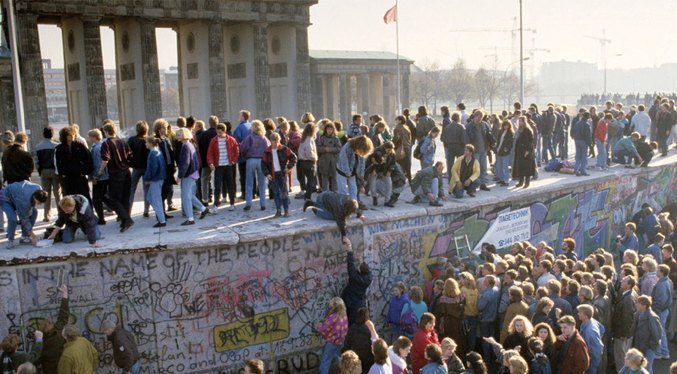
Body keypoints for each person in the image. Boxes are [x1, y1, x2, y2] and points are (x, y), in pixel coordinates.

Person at [100, 123, 134, 233]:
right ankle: (124, 218)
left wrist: (100, 170)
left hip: (115, 173)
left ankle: (127, 219)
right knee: (125, 197)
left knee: (113, 199)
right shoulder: (123, 142)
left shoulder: (106, 144)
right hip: (126, 172)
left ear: (106, 132)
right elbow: (130, 156)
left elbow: (105, 159)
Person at [175, 128, 209, 225]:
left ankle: (190, 218)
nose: (177, 136)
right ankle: (203, 209)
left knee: (186, 196)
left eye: (178, 135)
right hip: (193, 173)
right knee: (191, 195)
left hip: (188, 174)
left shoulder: (185, 146)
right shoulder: (190, 145)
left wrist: (180, 176)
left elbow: (185, 163)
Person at [1, 181, 47, 248]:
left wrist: (31, 206)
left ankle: (24, 237)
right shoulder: (24, 201)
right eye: (39, 202)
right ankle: (10, 240)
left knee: (34, 212)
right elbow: (24, 219)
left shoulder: (38, 188)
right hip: (5, 198)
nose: (40, 204)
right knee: (13, 219)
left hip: (17, 196)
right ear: (34, 197)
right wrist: (33, 235)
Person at [262, 132, 297, 218]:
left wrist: (288, 167)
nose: (276, 143)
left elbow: (293, 157)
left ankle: (286, 210)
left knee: (284, 193)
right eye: (274, 142)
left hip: (282, 174)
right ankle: (278, 210)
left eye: (277, 141)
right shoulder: (267, 151)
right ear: (271, 141)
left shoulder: (284, 149)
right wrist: (267, 174)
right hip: (273, 175)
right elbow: (263, 164)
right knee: (276, 194)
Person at [207, 123, 239, 212]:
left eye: (220, 132)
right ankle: (216, 204)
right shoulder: (214, 141)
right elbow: (210, 153)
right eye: (217, 132)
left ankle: (232, 203)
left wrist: (233, 161)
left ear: (224, 131)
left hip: (228, 165)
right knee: (217, 186)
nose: (218, 134)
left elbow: (236, 152)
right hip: (218, 166)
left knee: (230, 185)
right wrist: (211, 164)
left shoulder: (231, 140)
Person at [37, 285, 69, 374]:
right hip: (63, 368)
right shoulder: (59, 333)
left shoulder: (41, 344)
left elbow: (36, 359)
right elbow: (64, 315)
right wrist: (64, 295)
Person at [433, 279, 467, 363]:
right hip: (458, 324)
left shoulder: (442, 300)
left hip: (446, 325)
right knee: (458, 345)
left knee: (446, 344)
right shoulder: (461, 296)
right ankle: (459, 362)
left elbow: (438, 313)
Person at [55, 126, 92, 201]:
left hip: (80, 175)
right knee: (70, 197)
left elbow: (88, 159)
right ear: (65, 136)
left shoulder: (80, 147)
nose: (72, 137)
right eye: (69, 135)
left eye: (73, 135)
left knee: (84, 197)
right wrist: (62, 173)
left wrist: (85, 172)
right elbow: (58, 162)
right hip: (68, 176)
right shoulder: (59, 148)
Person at [336, 135, 373, 203]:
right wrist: (347, 172)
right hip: (342, 171)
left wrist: (362, 172)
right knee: (342, 191)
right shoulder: (347, 147)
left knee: (353, 190)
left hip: (353, 172)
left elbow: (362, 161)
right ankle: (342, 205)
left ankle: (354, 206)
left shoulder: (360, 150)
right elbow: (343, 160)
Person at [465, 111, 496, 191]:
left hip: (484, 149)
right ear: (475, 116)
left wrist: (493, 141)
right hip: (475, 151)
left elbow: (490, 134)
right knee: (474, 168)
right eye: (478, 117)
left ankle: (482, 183)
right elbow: (467, 138)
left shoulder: (484, 125)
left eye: (481, 117)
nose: (480, 119)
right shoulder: (469, 126)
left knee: (483, 167)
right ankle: (474, 184)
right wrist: (468, 149)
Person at [317, 297, 348, 374]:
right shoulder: (343, 314)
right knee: (340, 359)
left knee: (325, 362)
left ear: (334, 305)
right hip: (341, 341)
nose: (330, 301)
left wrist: (319, 327)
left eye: (332, 301)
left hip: (332, 342)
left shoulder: (333, 317)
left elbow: (325, 328)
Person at [631, 295, 662, 373]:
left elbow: (657, 334)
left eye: (638, 303)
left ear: (644, 306)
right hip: (641, 345)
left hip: (648, 347)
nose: (636, 305)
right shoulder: (639, 314)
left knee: (647, 369)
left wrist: (650, 346)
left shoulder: (652, 317)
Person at [612, 276, 637, 371]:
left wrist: (624, 334)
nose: (621, 281)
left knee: (621, 357)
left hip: (622, 333)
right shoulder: (628, 294)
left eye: (624, 281)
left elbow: (627, 319)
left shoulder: (627, 299)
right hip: (623, 332)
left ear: (629, 285)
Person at [35, 127, 60, 222]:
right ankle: (60, 213)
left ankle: (46, 215)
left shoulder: (38, 147)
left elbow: (36, 162)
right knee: (57, 193)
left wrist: (39, 171)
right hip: (54, 171)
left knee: (46, 193)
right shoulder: (56, 146)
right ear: (52, 135)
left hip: (44, 171)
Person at [154, 119, 177, 214]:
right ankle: (161, 213)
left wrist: (173, 166)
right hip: (162, 169)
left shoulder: (166, 139)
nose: (166, 129)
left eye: (166, 127)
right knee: (162, 192)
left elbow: (171, 153)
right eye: (164, 127)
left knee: (168, 190)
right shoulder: (156, 140)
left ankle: (164, 212)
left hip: (169, 168)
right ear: (158, 129)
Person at [127, 121, 150, 218]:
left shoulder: (132, 140)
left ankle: (128, 212)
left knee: (131, 190)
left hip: (136, 167)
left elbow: (127, 153)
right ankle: (146, 211)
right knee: (146, 190)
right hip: (146, 167)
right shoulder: (148, 140)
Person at [143, 137, 167, 227]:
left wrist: (146, 178)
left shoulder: (152, 153)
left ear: (150, 143)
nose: (145, 144)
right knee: (150, 197)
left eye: (146, 142)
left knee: (155, 200)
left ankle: (162, 220)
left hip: (155, 179)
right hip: (160, 178)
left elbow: (152, 168)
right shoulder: (158, 151)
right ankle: (161, 216)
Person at [342, 308, 375, 373]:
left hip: (356, 355)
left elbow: (347, 343)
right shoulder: (368, 329)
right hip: (367, 357)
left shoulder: (352, 328)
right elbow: (373, 342)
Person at [477, 275, 500, 363]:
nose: (484, 282)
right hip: (493, 318)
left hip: (485, 319)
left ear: (489, 283)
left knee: (485, 340)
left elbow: (480, 306)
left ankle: (487, 359)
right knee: (492, 338)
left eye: (486, 281)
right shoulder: (497, 290)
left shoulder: (486, 294)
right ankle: (493, 357)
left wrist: (479, 299)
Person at [576, 305, 604, 374]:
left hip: (592, 359)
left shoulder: (590, 331)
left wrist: (590, 356)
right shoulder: (590, 321)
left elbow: (597, 346)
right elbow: (602, 328)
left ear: (585, 316)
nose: (578, 314)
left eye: (580, 312)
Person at [88, 129, 108, 225]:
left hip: (99, 177)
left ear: (94, 137)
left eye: (90, 137)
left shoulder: (95, 148)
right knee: (104, 196)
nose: (88, 139)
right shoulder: (103, 145)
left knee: (96, 198)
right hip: (106, 176)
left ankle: (101, 218)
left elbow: (96, 164)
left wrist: (95, 177)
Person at [197, 116, 219, 204]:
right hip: (218, 160)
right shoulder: (218, 133)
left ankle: (206, 198)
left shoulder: (204, 134)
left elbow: (201, 148)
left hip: (207, 160)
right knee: (217, 179)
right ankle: (218, 197)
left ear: (209, 123)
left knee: (205, 179)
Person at [441, 112, 466, 182]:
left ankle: (451, 179)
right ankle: (460, 178)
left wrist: (447, 145)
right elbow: (463, 138)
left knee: (450, 164)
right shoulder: (461, 127)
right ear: (459, 118)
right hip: (459, 146)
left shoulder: (447, 127)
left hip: (450, 146)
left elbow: (443, 138)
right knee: (460, 164)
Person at [296, 123, 318, 201]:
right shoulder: (309, 139)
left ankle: (307, 194)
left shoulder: (304, 138)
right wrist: (314, 157)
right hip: (308, 161)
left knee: (308, 179)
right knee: (310, 179)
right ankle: (308, 196)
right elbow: (309, 151)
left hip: (302, 161)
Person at [233, 110, 252, 199]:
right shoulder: (251, 126)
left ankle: (245, 194)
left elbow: (236, 141)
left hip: (243, 156)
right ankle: (253, 193)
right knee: (252, 175)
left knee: (243, 175)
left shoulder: (239, 128)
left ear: (243, 117)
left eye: (239, 115)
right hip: (251, 155)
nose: (238, 117)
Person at [317, 121, 342, 192]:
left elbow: (339, 148)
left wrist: (330, 149)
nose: (329, 131)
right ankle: (324, 191)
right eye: (328, 129)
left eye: (331, 129)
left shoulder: (336, 139)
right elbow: (318, 148)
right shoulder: (322, 138)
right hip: (324, 160)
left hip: (333, 161)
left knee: (334, 176)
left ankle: (334, 191)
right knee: (324, 176)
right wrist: (324, 149)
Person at [513, 117, 536, 188]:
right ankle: (520, 181)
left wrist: (528, 151)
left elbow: (530, 142)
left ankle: (527, 182)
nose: (519, 122)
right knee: (521, 167)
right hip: (520, 151)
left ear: (523, 122)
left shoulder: (527, 130)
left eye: (520, 121)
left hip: (525, 151)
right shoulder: (520, 130)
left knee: (527, 167)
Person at [571, 111, 591, 176]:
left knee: (578, 156)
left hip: (577, 140)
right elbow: (587, 136)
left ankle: (576, 169)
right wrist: (590, 143)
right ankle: (583, 170)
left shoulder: (577, 123)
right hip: (583, 141)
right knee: (584, 156)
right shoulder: (586, 125)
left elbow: (574, 131)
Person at [495, 121, 513, 186]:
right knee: (499, 166)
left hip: (505, 153)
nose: (506, 127)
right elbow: (498, 140)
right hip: (499, 151)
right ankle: (501, 179)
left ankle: (506, 180)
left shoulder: (510, 133)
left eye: (507, 125)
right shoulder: (501, 132)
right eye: (505, 125)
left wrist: (506, 149)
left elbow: (510, 143)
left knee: (505, 167)